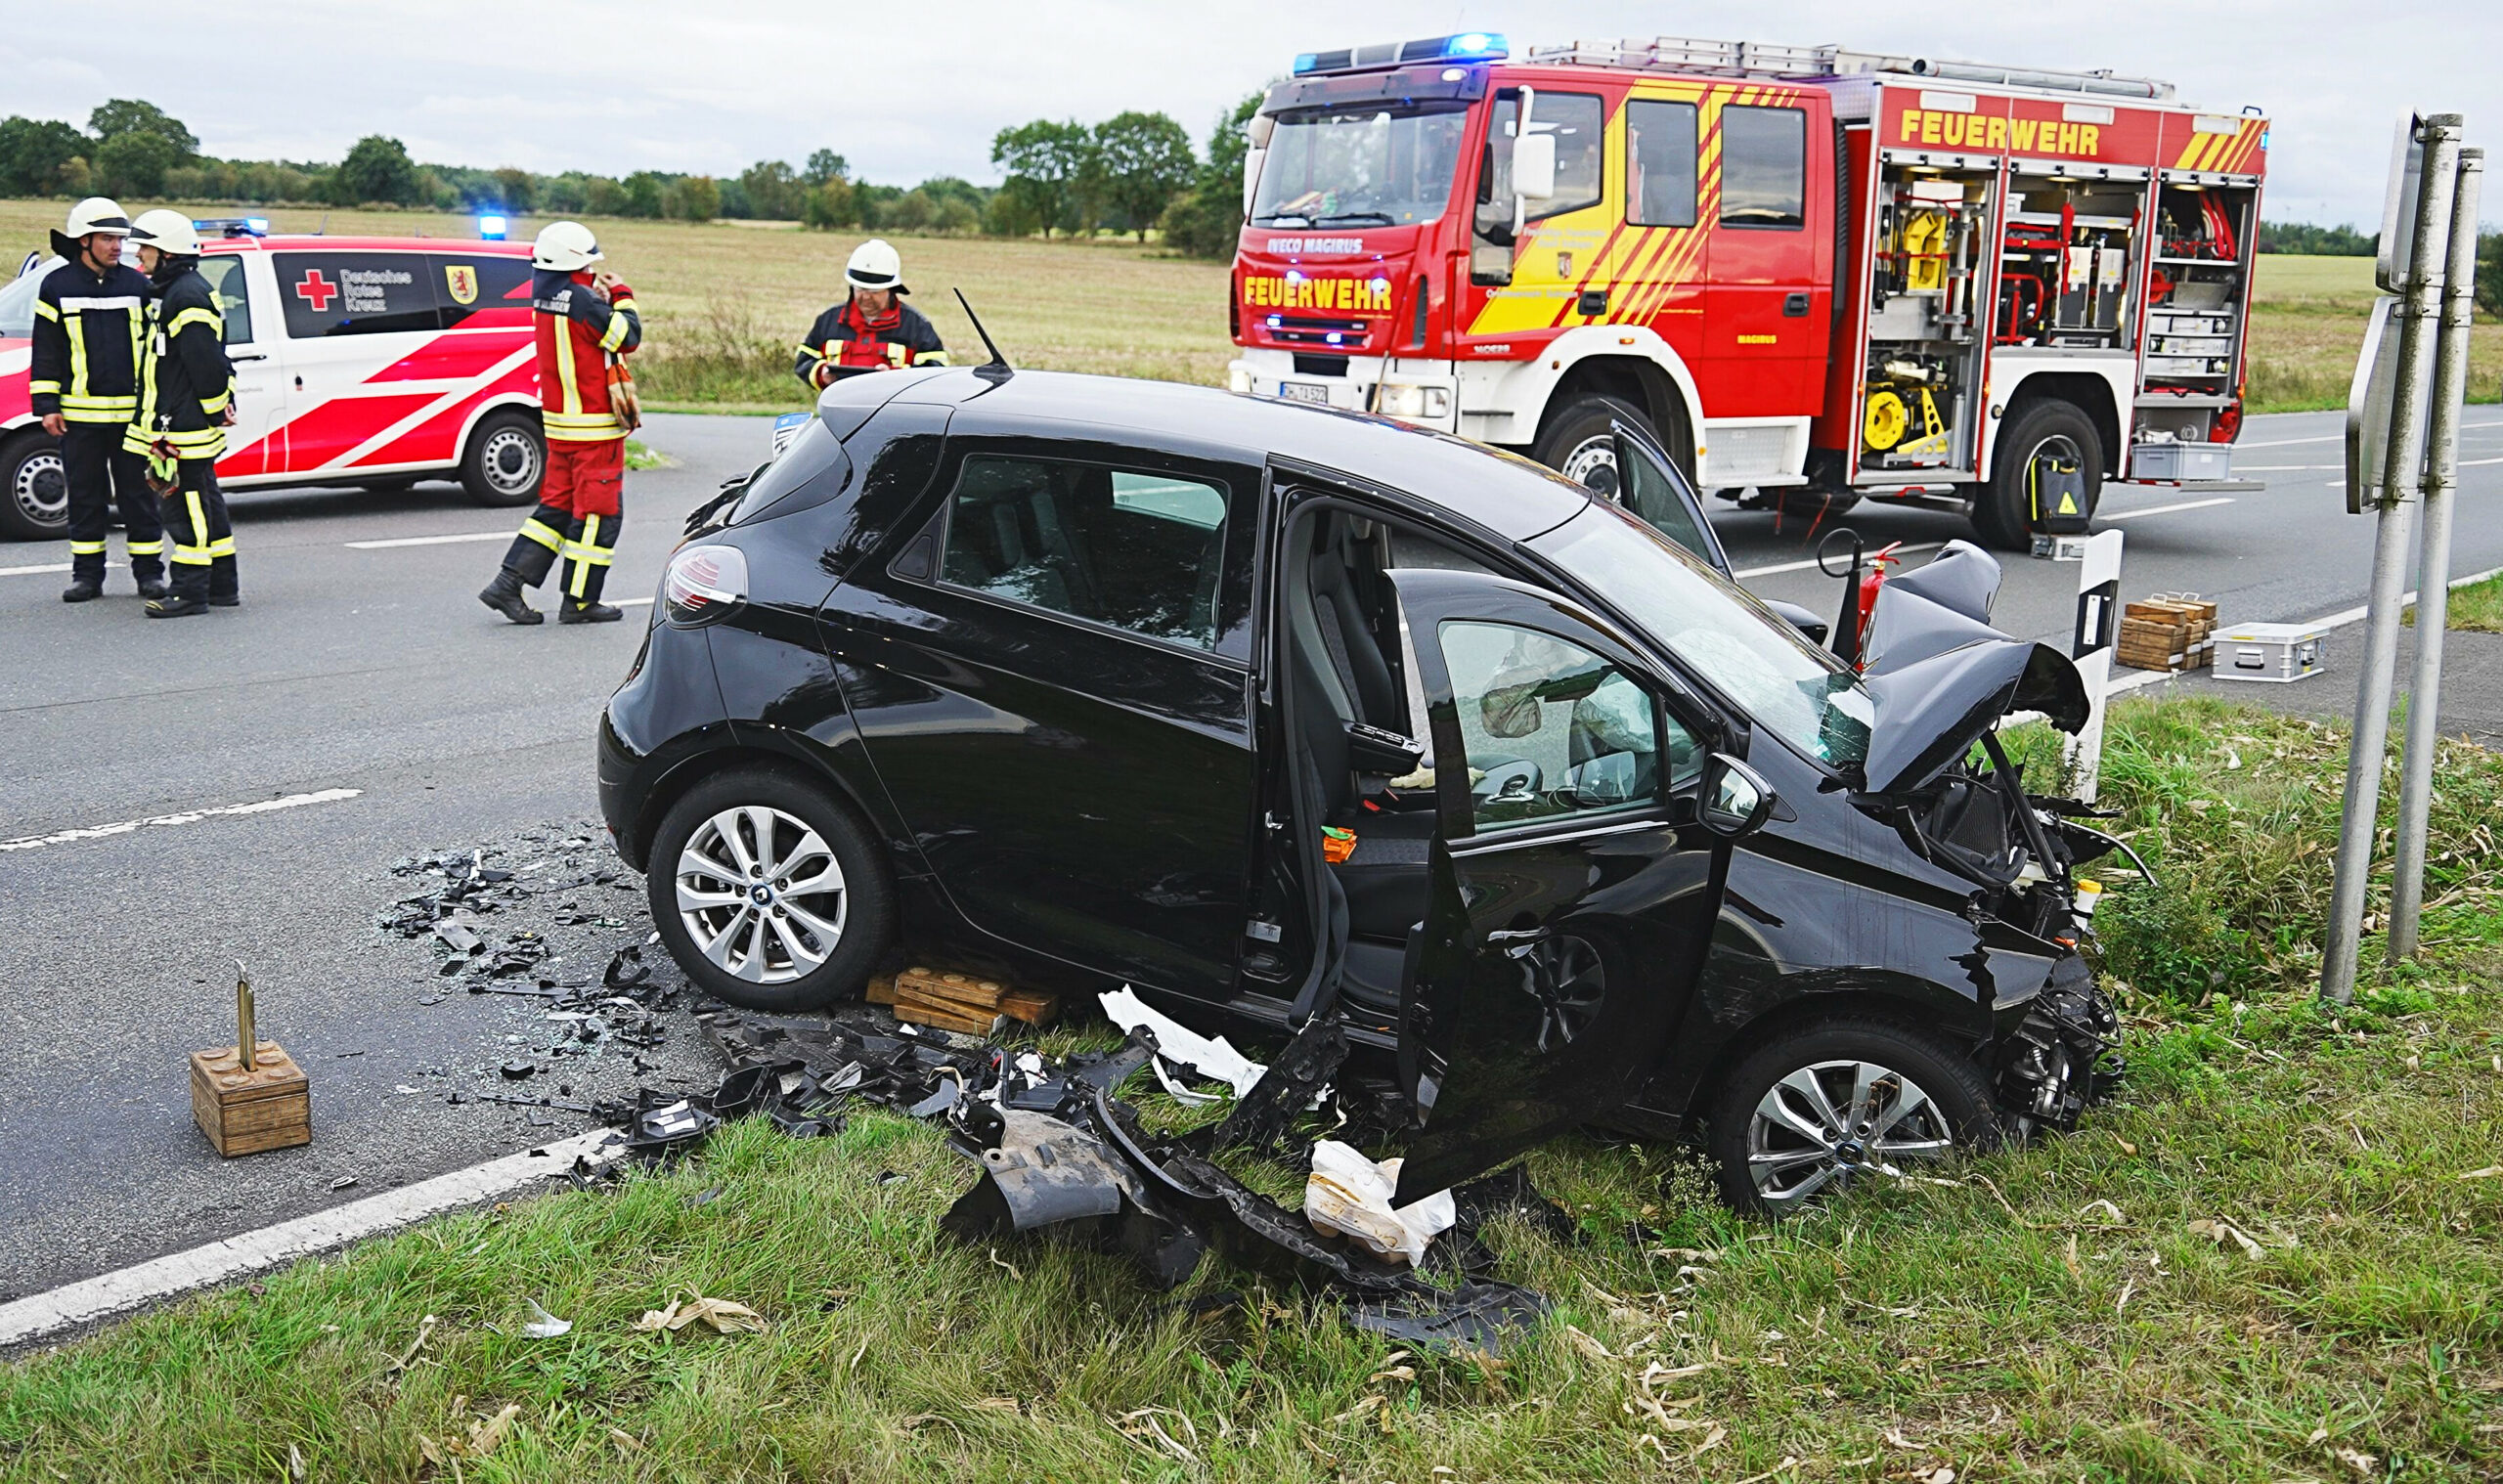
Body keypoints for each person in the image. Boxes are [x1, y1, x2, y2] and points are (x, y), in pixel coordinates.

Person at [479, 221, 641, 626]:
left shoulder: (544, 297)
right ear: (576, 263)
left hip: (559, 427)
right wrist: (621, 294)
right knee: (598, 515)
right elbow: (628, 336)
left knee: (556, 507)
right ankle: (580, 602)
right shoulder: (583, 301)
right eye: (588, 265)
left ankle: (507, 583)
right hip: (594, 429)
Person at [30, 197, 165, 603]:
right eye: (107, 238)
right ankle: (87, 577)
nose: (117, 247)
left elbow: (156, 349)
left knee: (138, 499)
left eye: (120, 239)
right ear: (84, 241)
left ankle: (149, 576)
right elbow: (47, 350)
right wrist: (47, 405)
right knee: (86, 498)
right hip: (78, 418)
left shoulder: (139, 285)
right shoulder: (56, 286)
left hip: (131, 418)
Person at [122, 210, 238, 619]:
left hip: (182, 426)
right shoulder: (179, 291)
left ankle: (190, 591)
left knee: (185, 507)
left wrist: (211, 410)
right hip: (182, 419)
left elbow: (205, 364)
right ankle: (222, 585)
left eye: (146, 249)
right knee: (205, 500)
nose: (140, 258)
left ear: (167, 252)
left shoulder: (185, 295)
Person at [792, 239, 946, 389]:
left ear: (891, 289)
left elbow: (936, 371)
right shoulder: (828, 320)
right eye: (859, 289)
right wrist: (821, 373)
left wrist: (896, 377)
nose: (866, 297)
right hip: (838, 410)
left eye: (874, 292)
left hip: (892, 412)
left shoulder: (916, 326)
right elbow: (804, 361)